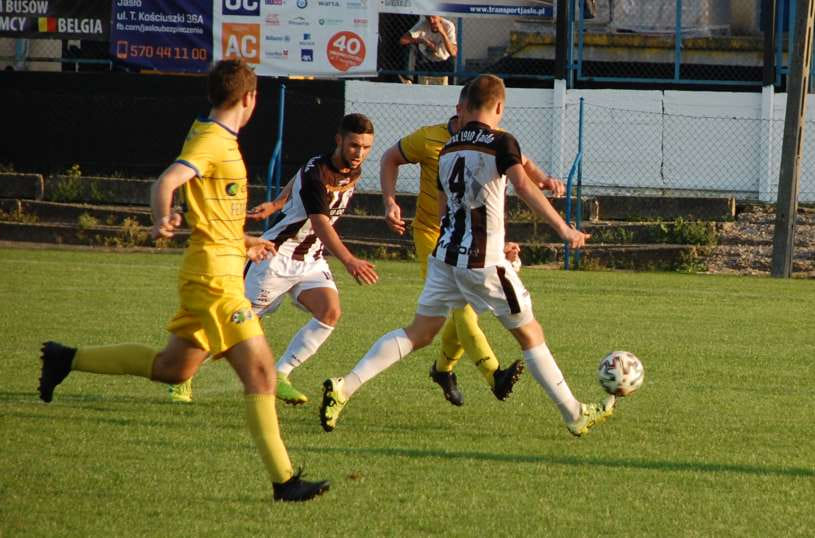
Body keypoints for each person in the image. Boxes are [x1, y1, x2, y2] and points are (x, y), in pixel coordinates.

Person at [37, 59, 330, 502]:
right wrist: (161, 217)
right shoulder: (212, 140)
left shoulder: (213, 133)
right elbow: (167, 181)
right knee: (263, 374)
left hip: (216, 266)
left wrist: (244, 240)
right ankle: (284, 481)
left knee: (173, 368)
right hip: (215, 281)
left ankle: (66, 359)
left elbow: (212, 206)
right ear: (250, 99)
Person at [320, 74, 616, 437]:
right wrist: (564, 229)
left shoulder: (448, 147)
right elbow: (523, 186)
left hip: (446, 257)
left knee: (420, 332)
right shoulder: (501, 141)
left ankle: (345, 386)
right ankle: (574, 413)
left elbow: (447, 210)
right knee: (529, 333)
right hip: (483, 261)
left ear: (464, 107)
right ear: (499, 107)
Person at [379, 84, 566, 407]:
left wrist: (545, 180)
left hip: (474, 237)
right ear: (459, 108)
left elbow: (523, 164)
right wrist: (390, 202)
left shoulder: (494, 138)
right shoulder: (430, 139)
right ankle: (494, 374)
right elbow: (390, 157)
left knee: (460, 312)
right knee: (463, 312)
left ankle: (442, 368)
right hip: (433, 233)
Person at [240, 113, 379, 405]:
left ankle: (280, 374)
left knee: (330, 311)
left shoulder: (347, 168)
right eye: (354, 146)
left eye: (366, 147)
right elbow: (320, 224)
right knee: (236, 322)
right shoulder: (319, 174)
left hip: (311, 259)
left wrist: (278, 202)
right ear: (339, 140)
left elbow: (297, 174)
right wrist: (350, 260)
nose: (360, 153)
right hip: (275, 256)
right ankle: (183, 374)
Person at [399, 15, 457, 83]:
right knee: (411, 47)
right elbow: (402, 40)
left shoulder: (449, 26)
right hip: (425, 59)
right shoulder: (423, 24)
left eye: (434, 17)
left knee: (452, 59)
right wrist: (423, 41)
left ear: (439, 16)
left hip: (443, 60)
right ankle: (408, 80)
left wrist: (443, 33)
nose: (431, 21)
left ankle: (451, 85)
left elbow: (453, 52)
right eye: (428, 18)